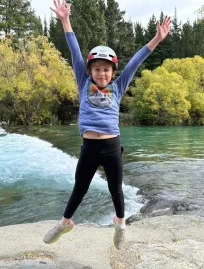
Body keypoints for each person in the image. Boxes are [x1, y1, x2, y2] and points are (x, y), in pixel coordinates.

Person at [43, 0, 171, 250]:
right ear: (90, 71)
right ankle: (65, 223)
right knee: (79, 188)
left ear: (113, 73)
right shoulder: (83, 81)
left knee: (116, 190)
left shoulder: (118, 87)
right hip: (89, 148)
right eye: (97, 69)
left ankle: (120, 225)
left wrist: (156, 39)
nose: (102, 73)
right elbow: (75, 52)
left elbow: (136, 61)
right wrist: (65, 21)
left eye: (106, 70)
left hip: (112, 148)